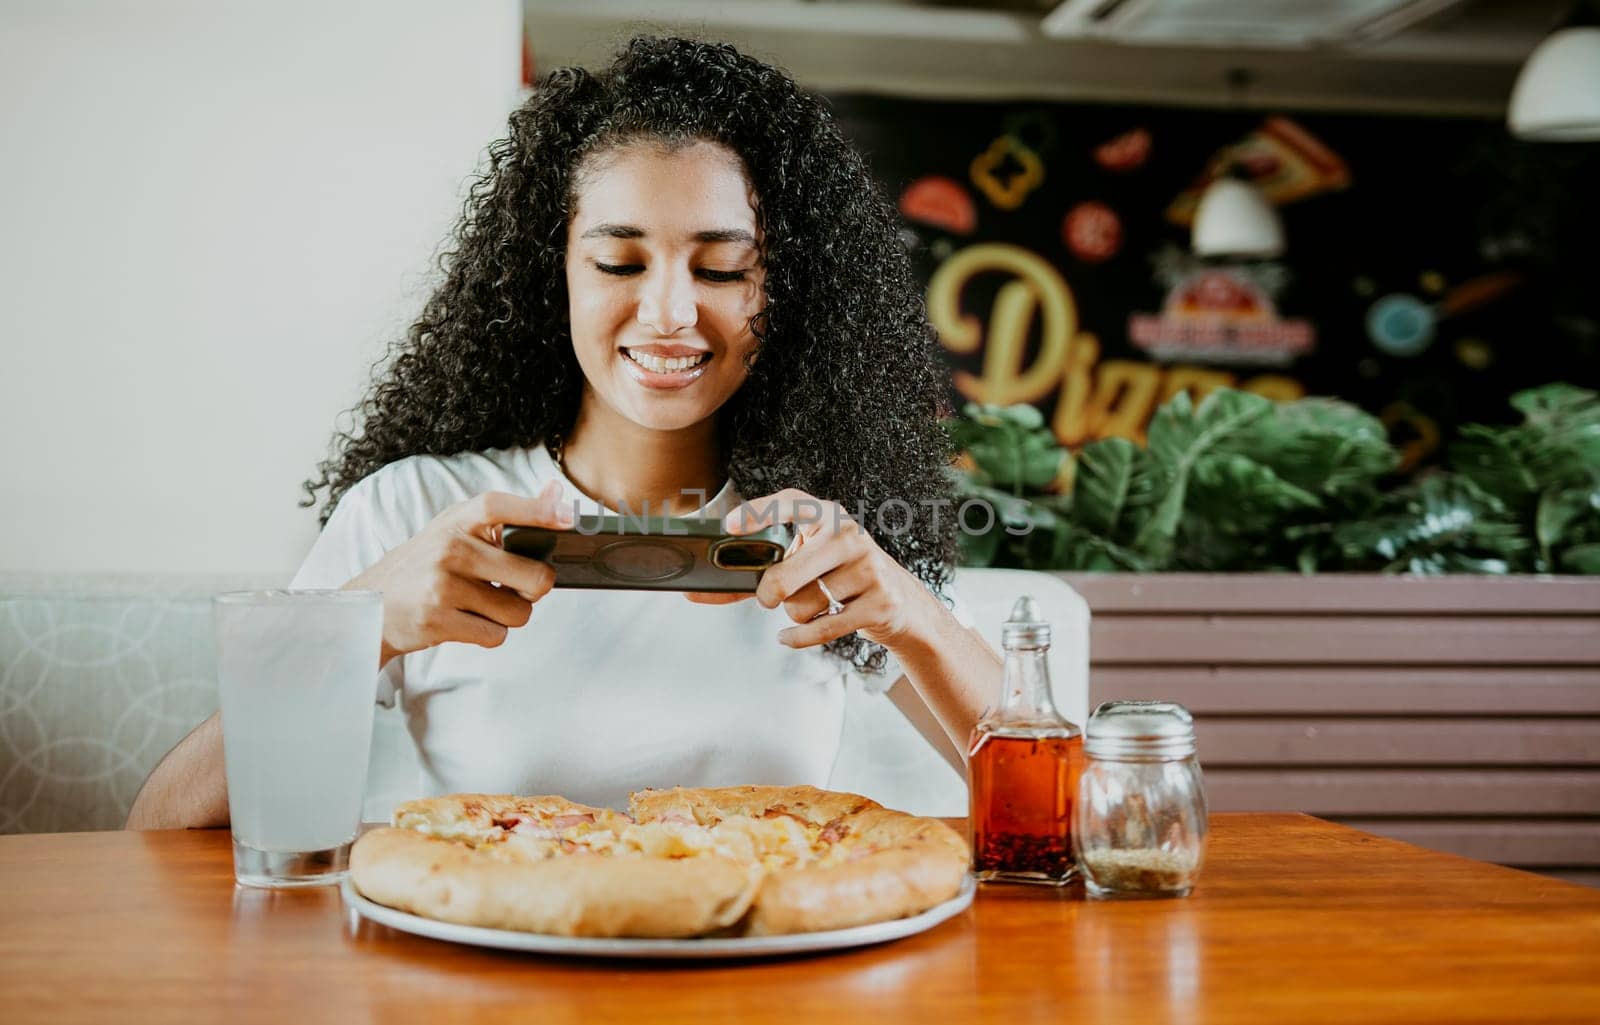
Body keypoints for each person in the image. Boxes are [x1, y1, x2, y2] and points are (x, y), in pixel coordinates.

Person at [126, 36, 1001, 830]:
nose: (667, 312)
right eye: (619, 262)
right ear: (556, 279)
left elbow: (1062, 811)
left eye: (724, 267)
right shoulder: (414, 508)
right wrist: (371, 625)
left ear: (784, 290)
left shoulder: (813, 536)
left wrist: (910, 612)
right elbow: (160, 828)